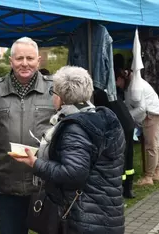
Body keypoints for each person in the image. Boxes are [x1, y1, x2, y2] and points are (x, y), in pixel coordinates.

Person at [10, 66, 125, 234]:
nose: (52, 98)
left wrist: (36, 164)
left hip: (85, 218)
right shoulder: (102, 119)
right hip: (107, 213)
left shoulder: (75, 128)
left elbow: (73, 173)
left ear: (62, 98)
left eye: (53, 92)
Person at [0, 37, 54, 234]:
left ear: (38, 61)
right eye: (19, 58)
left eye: (29, 58)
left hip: (46, 186)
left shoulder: (55, 89)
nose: (24, 63)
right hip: (7, 188)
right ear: (11, 61)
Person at [94, 54, 136, 198]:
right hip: (128, 123)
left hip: (122, 126)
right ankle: (128, 188)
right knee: (129, 155)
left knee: (121, 157)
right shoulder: (110, 91)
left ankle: (121, 188)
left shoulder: (98, 94)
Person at [116, 63, 159, 186]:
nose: (117, 85)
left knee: (150, 145)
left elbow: (141, 108)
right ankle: (156, 173)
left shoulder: (135, 87)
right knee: (155, 144)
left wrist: (128, 116)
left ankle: (149, 177)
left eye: (117, 81)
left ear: (121, 78)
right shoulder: (132, 83)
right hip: (156, 111)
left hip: (151, 113)